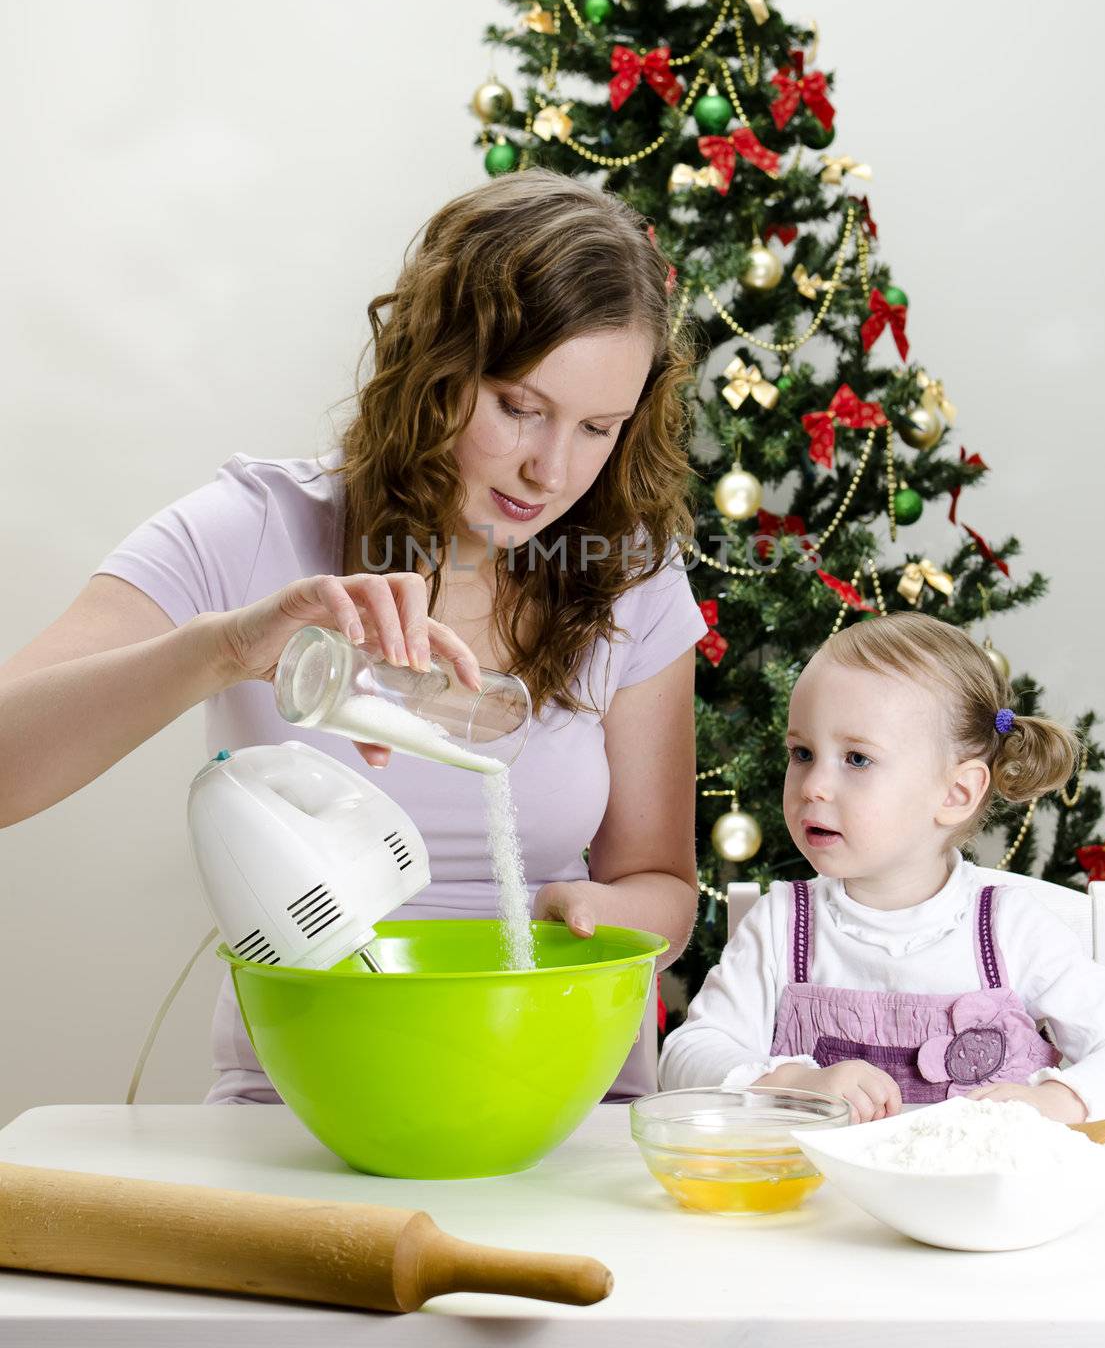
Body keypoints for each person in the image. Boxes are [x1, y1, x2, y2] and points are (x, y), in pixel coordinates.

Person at [0, 169, 706, 1104]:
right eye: (518, 407)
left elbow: (660, 878)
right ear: (436, 365)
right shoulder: (251, 530)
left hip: (564, 1101)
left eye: (597, 429)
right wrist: (220, 651)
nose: (551, 470)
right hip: (303, 1105)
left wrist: (605, 916)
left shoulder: (628, 573)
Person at [659, 610, 1105, 1124]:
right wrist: (796, 1083)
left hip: (975, 1198)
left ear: (956, 793)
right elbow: (687, 1055)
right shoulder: (782, 926)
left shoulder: (1010, 929)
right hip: (816, 1198)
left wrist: (1054, 1101)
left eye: (857, 759)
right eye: (802, 752)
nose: (813, 784)